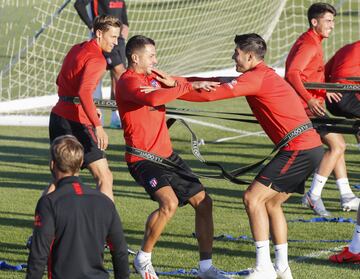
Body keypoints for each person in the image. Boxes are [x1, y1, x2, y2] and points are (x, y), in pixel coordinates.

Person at [177, 33, 324, 279]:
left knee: (252, 198)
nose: (233, 56)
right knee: (271, 203)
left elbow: (211, 94)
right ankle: (282, 268)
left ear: (249, 56)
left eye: (236, 53)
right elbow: (214, 81)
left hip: (299, 148)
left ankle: (264, 268)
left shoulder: (256, 78)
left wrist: (173, 90)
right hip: (308, 147)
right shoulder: (260, 75)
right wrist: (175, 81)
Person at [115, 35, 229, 279]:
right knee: (169, 203)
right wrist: (183, 86)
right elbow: (155, 97)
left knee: (204, 202)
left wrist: (228, 82)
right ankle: (143, 258)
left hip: (167, 156)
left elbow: (185, 83)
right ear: (135, 58)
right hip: (143, 159)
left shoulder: (153, 77)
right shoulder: (127, 82)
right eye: (151, 56)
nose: (156, 60)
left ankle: (206, 269)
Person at [285, 2, 359, 216]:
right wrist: (309, 99)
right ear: (314, 22)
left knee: (338, 146)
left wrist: (324, 91)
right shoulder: (309, 44)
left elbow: (310, 73)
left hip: (310, 105)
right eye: (328, 21)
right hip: (304, 108)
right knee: (337, 146)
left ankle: (346, 195)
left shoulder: (312, 41)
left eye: (333, 21)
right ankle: (313, 195)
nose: (332, 26)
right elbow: (292, 73)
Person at [26, 135, 129, 279]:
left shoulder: (49, 203)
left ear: (52, 164)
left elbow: (39, 254)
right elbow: (120, 252)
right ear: (81, 162)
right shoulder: (105, 202)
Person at [49, 15, 121, 201]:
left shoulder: (76, 49)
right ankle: (107, 227)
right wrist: (98, 126)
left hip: (58, 117)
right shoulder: (98, 60)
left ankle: (42, 225)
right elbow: (83, 92)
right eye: (112, 37)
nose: (116, 42)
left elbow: (60, 81)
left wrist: (84, 104)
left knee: (62, 179)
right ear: (99, 33)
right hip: (77, 122)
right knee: (105, 177)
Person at [74, 0, 129, 128]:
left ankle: (116, 117)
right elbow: (79, 4)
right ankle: (98, 117)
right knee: (120, 74)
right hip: (105, 39)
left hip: (118, 40)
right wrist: (91, 25)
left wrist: (125, 25)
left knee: (117, 80)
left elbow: (122, 10)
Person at [325, 41, 360, 146]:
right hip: (346, 96)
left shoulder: (345, 48)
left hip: (331, 102)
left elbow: (325, 70)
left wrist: (327, 90)